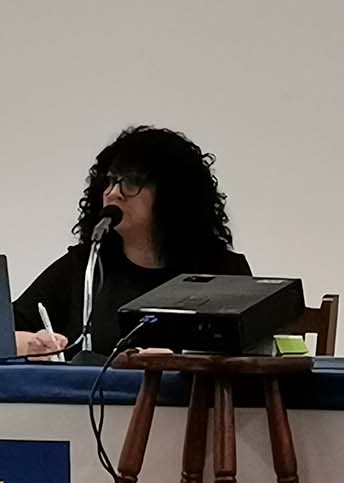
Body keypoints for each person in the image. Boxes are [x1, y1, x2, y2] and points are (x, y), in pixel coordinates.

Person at [12, 126, 250, 358]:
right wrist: (30, 344)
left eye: (132, 182)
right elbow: (7, 329)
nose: (113, 193)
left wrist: (181, 361)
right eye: (110, 181)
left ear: (172, 194)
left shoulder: (223, 272)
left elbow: (256, 355)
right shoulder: (85, 266)